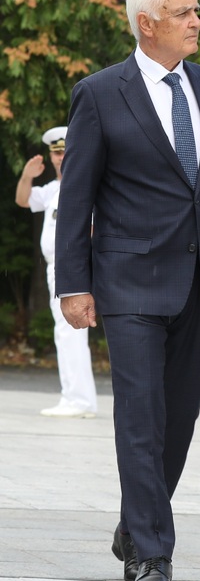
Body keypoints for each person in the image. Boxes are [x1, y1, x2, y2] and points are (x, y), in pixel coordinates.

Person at [55, 0, 200, 581]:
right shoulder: (100, 93)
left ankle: (134, 527)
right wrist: (72, 285)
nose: (198, 22)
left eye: (197, 11)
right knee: (139, 419)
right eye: (185, 12)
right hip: (129, 280)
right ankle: (155, 559)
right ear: (147, 24)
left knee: (179, 420)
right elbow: (75, 197)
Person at [16, 126, 98, 419]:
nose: (61, 157)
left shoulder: (87, 185)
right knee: (65, 334)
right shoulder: (55, 189)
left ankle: (78, 399)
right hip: (56, 267)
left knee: (70, 332)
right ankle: (77, 397)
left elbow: (92, 230)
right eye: (57, 152)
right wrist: (27, 175)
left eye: (65, 151)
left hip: (73, 268)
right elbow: (24, 200)